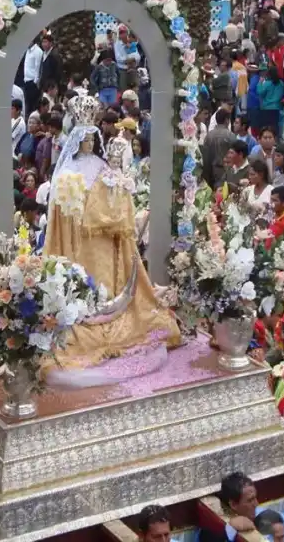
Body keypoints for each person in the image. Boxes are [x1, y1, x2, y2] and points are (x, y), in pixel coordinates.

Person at [40, 95, 180, 384]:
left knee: (107, 282)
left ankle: (112, 312)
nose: (90, 144)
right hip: (77, 243)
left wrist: (117, 194)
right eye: (85, 139)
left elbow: (118, 198)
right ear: (77, 140)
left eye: (93, 138)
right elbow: (58, 211)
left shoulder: (103, 167)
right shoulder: (66, 172)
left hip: (104, 240)